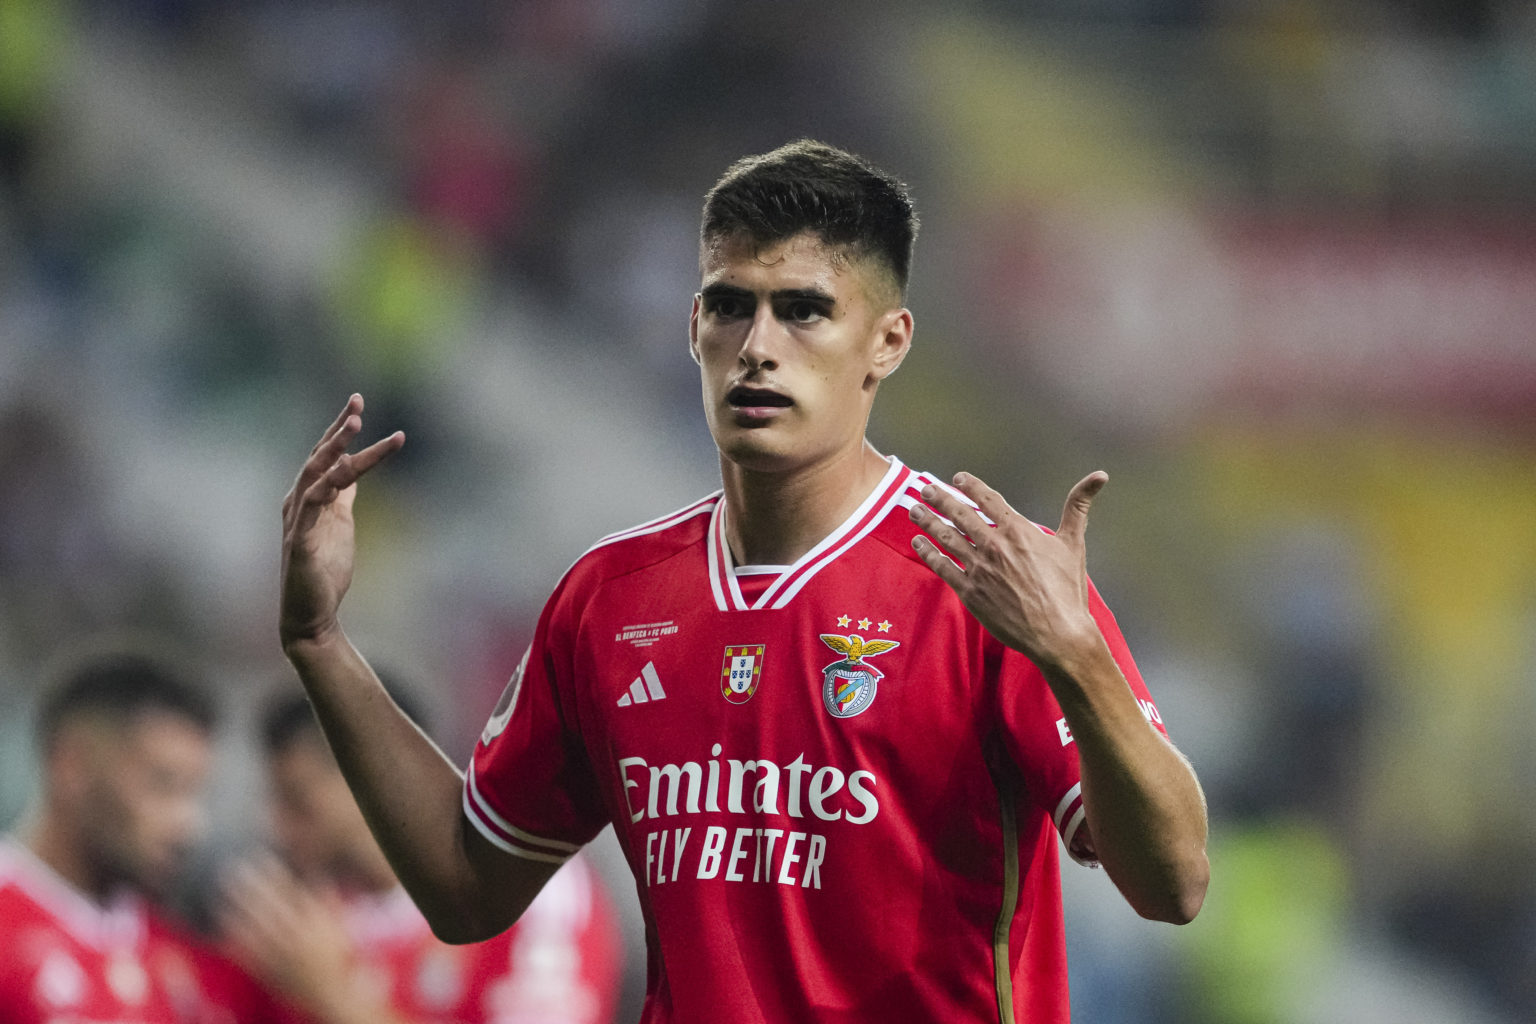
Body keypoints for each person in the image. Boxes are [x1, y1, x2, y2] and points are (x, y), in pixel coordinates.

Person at [277, 139, 1210, 1022]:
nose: (758, 345)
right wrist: (320, 643)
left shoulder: (987, 579)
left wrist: (1076, 657)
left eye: (804, 310)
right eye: (730, 306)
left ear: (887, 342)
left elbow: (1175, 884)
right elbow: (466, 883)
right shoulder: (610, 597)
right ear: (692, 328)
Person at [220, 685, 622, 1024]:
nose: (274, 824)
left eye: (297, 799)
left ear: (373, 773)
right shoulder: (305, 920)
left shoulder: (533, 880)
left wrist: (337, 998)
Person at [0, 645, 263, 1024]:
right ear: (73, 763)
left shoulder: (193, 959)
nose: (189, 825)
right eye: (163, 785)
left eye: (195, 792)